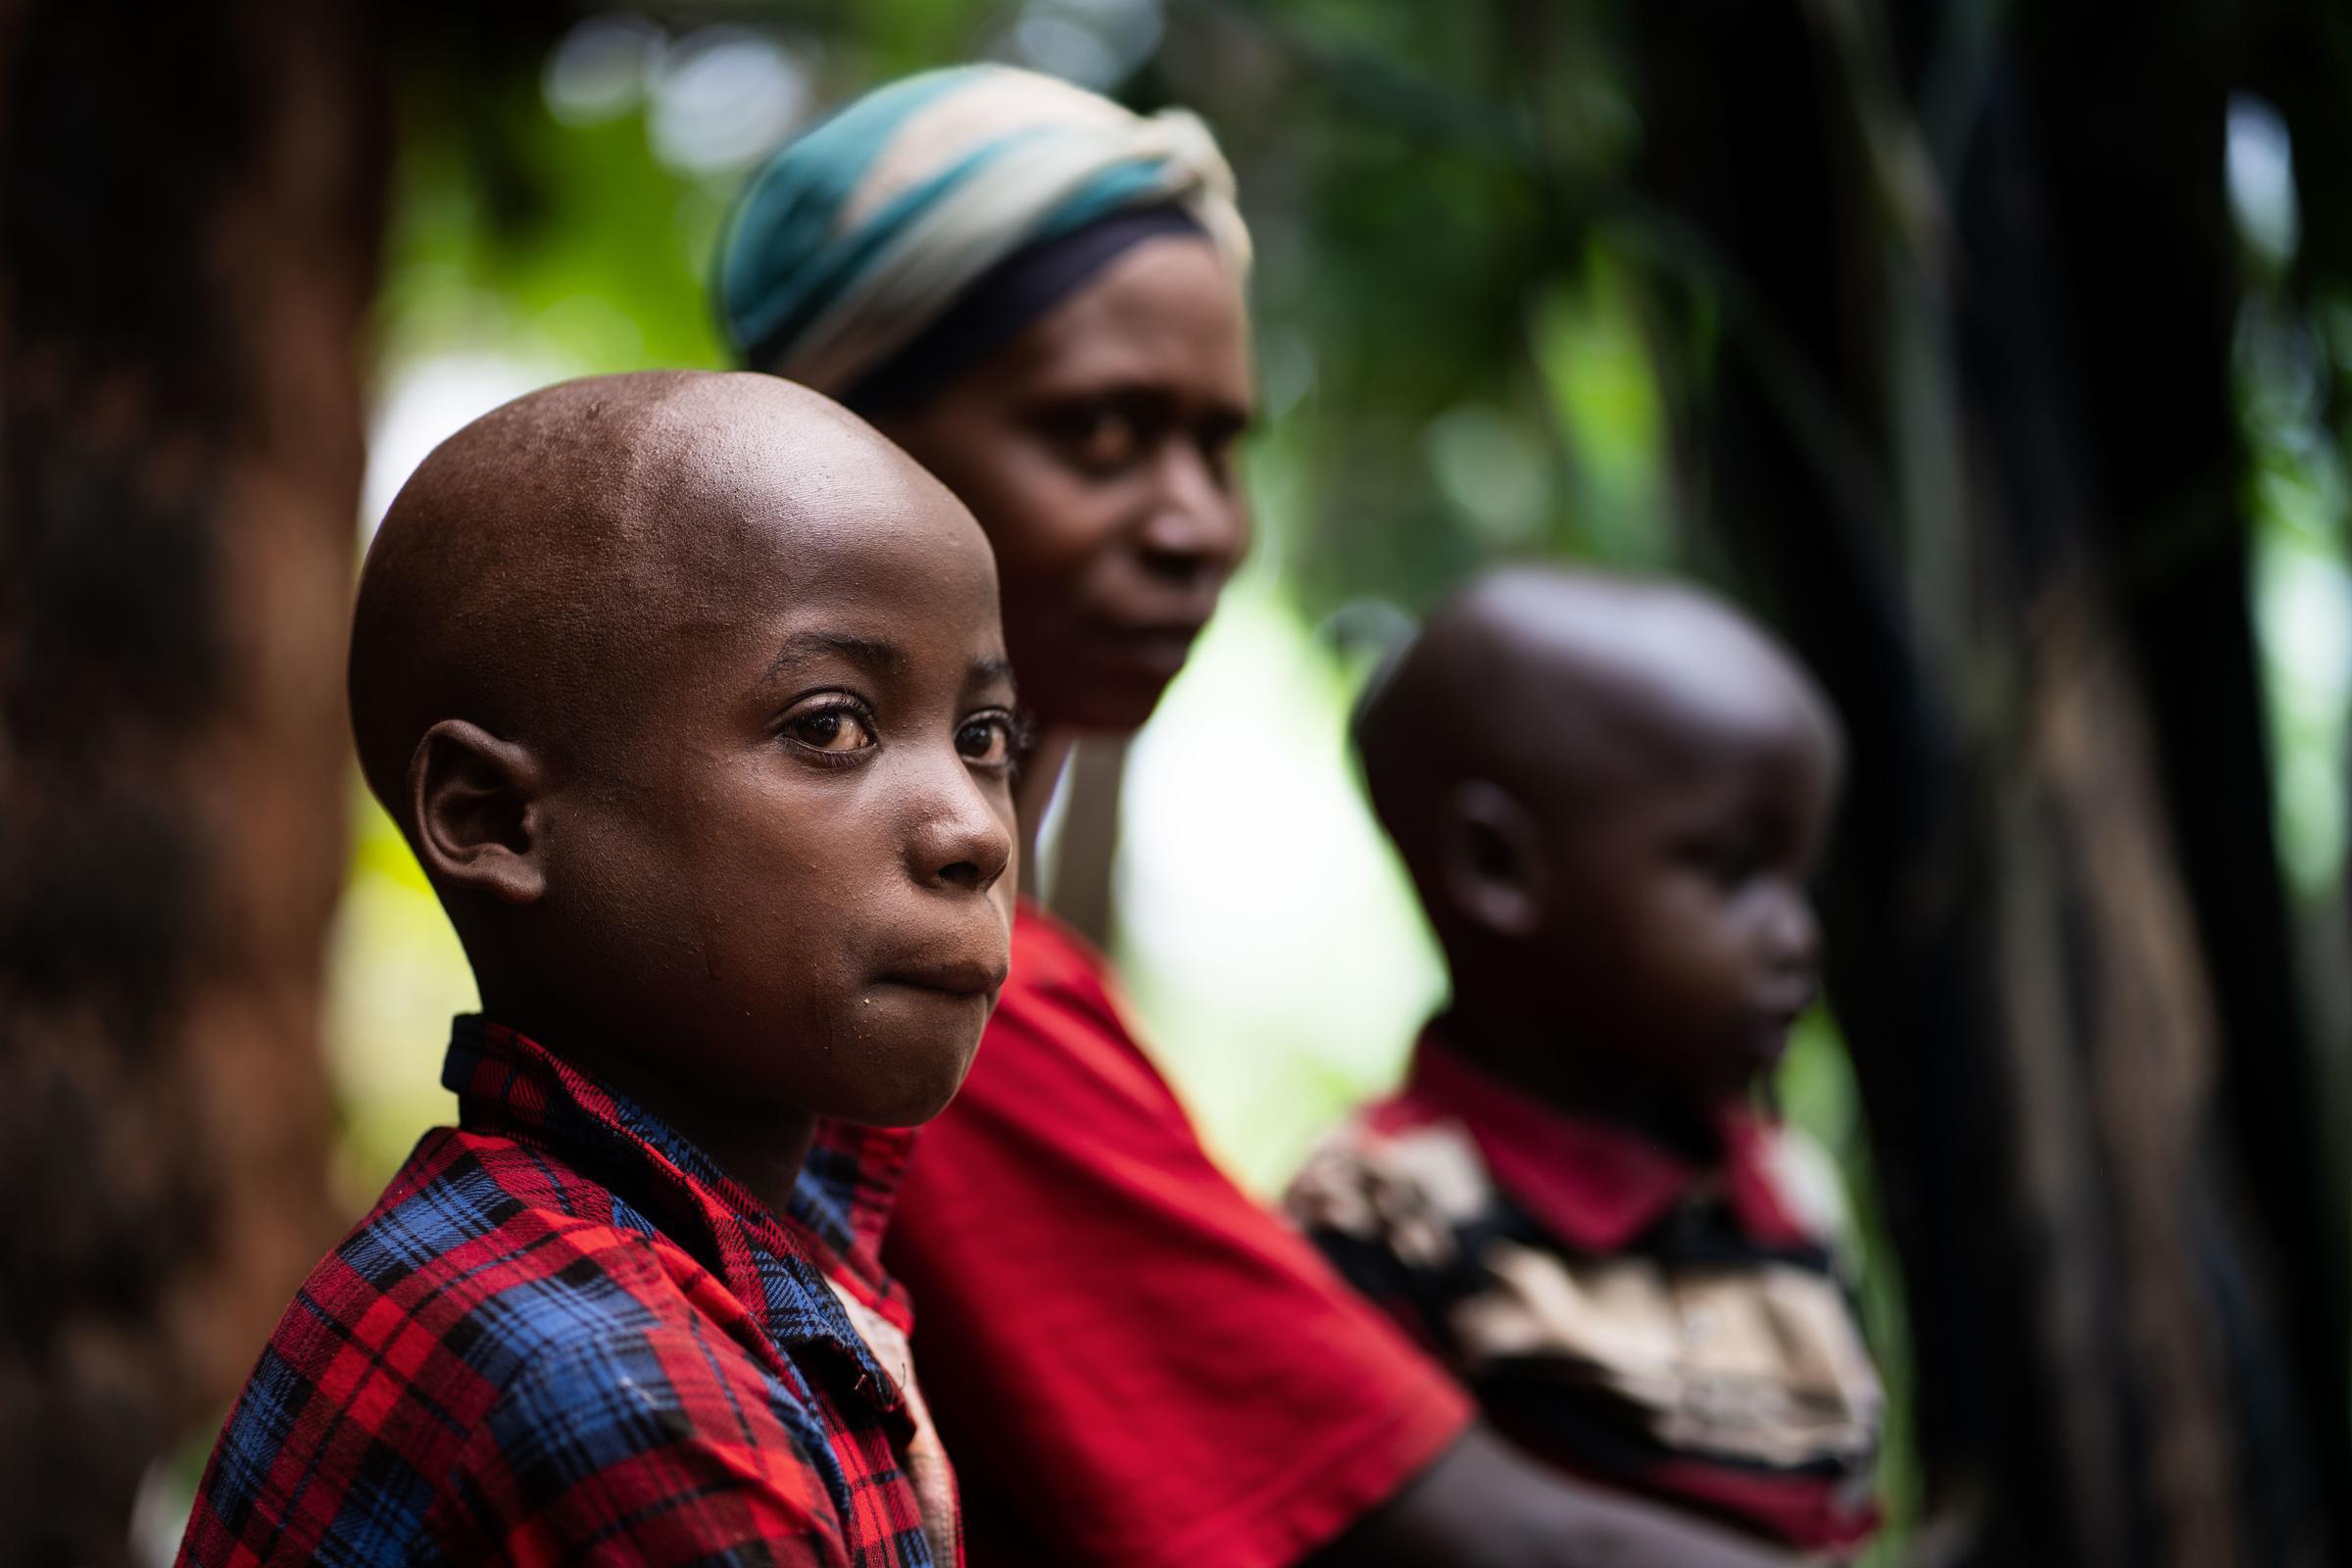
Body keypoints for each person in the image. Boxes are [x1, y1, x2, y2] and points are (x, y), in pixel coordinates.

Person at [720, 66, 1796, 1568]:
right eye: (1100, 434)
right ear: (842, 450)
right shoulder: (941, 1017)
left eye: (1222, 445)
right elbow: (1472, 1539)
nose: (1196, 525)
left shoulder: (987, 977)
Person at [175, 371, 1019, 1566]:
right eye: (829, 724)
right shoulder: (621, 1392)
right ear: (497, 819)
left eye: (986, 739)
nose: (975, 830)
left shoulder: (718, 1235)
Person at [1284, 567, 1884, 1557]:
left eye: (1801, 879)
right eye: (1735, 870)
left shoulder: (1787, 1188)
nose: (1798, 937)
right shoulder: (1386, 1211)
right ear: (1498, 869)